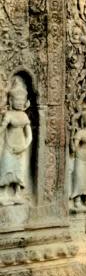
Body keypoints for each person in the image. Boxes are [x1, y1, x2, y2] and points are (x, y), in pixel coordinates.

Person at [0, 75, 33, 206]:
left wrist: (24, 147)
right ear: (11, 100)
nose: (20, 102)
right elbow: (2, 129)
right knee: (7, 168)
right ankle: (3, 193)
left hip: (20, 149)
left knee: (19, 171)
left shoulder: (24, 116)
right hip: (9, 147)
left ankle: (17, 193)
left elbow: (29, 136)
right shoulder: (9, 115)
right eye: (17, 99)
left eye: (22, 99)